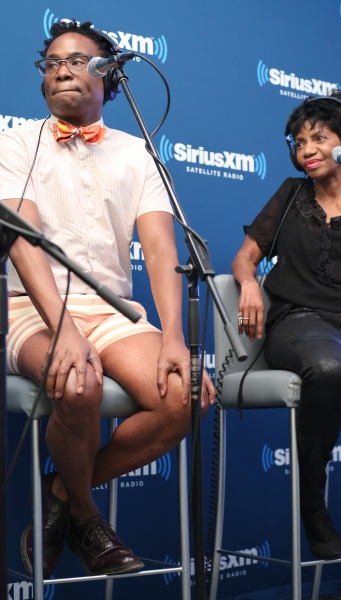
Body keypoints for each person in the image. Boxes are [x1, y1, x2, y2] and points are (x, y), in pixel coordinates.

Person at [0, 20, 215, 578]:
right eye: (51, 63)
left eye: (77, 60)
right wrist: (65, 329)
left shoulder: (137, 151)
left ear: (108, 75)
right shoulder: (16, 140)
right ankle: (90, 518)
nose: (62, 69)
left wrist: (173, 338)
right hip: (31, 306)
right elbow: (21, 239)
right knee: (78, 382)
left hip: (114, 311)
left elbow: (162, 246)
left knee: (185, 395)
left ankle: (62, 492)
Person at [232, 89, 341, 560]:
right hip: (299, 320)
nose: (306, 149)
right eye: (299, 141)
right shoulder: (289, 195)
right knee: (329, 368)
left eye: (318, 138)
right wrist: (248, 284)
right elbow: (245, 259)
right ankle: (313, 508)